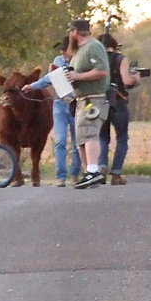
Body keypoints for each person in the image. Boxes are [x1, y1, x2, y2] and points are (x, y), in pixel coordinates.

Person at [22, 37, 80, 187]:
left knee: (77, 142)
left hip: (77, 104)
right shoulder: (58, 61)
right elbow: (50, 78)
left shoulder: (80, 61)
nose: (62, 52)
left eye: (65, 49)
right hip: (60, 104)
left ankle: (75, 175)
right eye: (61, 50)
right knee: (60, 140)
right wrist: (32, 86)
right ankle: (60, 177)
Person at [63, 19, 110, 188]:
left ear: (75, 32)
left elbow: (102, 71)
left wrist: (77, 77)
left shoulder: (93, 46)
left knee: (90, 133)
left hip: (94, 98)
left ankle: (93, 171)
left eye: (71, 32)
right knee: (81, 137)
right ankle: (88, 173)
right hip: (81, 99)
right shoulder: (79, 51)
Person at [96, 33, 142, 185]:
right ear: (114, 45)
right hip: (118, 101)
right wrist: (136, 78)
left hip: (100, 101)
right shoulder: (120, 58)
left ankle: (101, 169)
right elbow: (127, 81)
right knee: (122, 137)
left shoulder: (97, 59)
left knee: (102, 137)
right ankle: (116, 174)